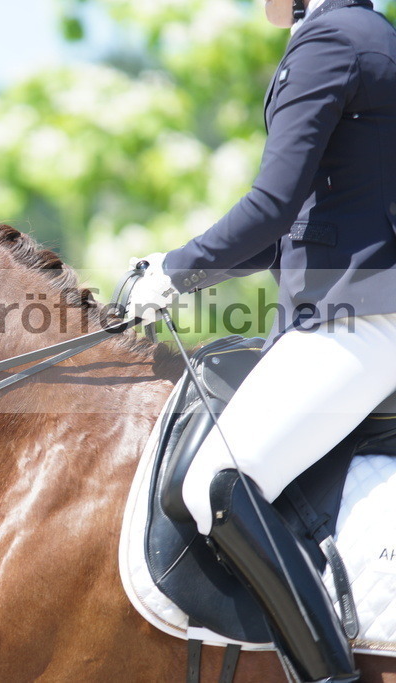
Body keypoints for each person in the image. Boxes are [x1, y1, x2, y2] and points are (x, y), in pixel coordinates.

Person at [128, 0, 396, 680]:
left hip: (358, 315)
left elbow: (270, 208)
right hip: (352, 308)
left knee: (218, 481)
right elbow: (293, 230)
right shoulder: (364, 34)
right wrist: (175, 269)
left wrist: (177, 272)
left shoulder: (330, 39)